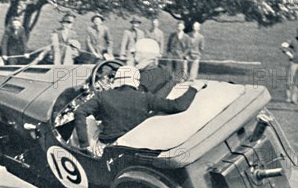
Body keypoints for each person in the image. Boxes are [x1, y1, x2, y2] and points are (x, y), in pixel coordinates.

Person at [74, 66, 206, 156]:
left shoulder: (102, 96)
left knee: (90, 120)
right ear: (136, 82)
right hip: (133, 146)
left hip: (106, 147)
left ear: (117, 81)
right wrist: (194, 88)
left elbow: (79, 112)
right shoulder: (145, 98)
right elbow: (178, 106)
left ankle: (81, 153)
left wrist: (84, 144)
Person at [282, 27, 298, 104]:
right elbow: (283, 47)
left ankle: (294, 99)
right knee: (290, 80)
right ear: (297, 32)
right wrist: (290, 55)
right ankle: (288, 98)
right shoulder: (292, 40)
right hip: (293, 63)